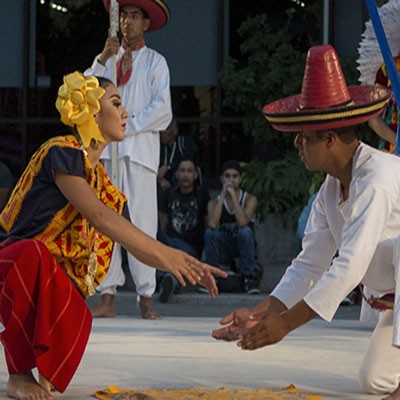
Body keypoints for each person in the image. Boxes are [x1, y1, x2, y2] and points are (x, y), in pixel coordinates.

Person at [0, 71, 226, 400]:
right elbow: (98, 216)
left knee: (74, 300)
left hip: (43, 276)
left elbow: (133, 240)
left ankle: (45, 375)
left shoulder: (107, 188)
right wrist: (169, 254)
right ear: (90, 110)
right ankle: (18, 375)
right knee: (34, 256)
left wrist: (187, 263)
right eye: (116, 103)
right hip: (11, 266)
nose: (125, 113)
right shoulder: (62, 152)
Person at [211, 44, 400, 399]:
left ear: (330, 138)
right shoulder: (331, 190)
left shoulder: (376, 179)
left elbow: (349, 267)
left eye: (304, 136)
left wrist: (284, 325)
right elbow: (310, 262)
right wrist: (263, 312)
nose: (297, 143)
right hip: (389, 298)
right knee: (375, 380)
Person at [85, 0, 172, 319]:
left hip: (138, 154)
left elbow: (162, 111)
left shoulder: (155, 62)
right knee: (103, 221)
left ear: (146, 24)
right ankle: (106, 296)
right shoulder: (107, 60)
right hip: (108, 154)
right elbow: (83, 92)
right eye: (123, 15)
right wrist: (103, 57)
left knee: (142, 224)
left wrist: (123, 125)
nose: (127, 22)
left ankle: (145, 296)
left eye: (134, 16)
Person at [204, 160, 260, 295]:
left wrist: (234, 197)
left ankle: (249, 278)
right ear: (222, 179)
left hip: (242, 247)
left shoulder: (249, 199)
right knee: (210, 233)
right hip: (223, 248)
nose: (231, 180)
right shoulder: (214, 201)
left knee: (245, 232)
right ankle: (212, 278)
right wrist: (223, 195)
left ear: (240, 179)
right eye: (227, 176)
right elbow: (212, 224)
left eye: (235, 176)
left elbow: (243, 222)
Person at [157, 158, 209, 303]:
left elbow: (208, 223)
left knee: (180, 258)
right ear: (177, 175)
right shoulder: (168, 194)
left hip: (191, 247)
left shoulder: (201, 195)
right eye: (182, 171)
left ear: (195, 175)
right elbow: (163, 223)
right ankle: (171, 282)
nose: (186, 175)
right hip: (170, 243)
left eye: (189, 171)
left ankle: (167, 281)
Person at [158, 117, 199, 192]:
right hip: (162, 182)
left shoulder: (184, 142)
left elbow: (189, 158)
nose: (162, 134)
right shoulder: (158, 146)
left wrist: (168, 166)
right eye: (161, 131)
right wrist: (160, 179)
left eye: (166, 131)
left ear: (175, 131)